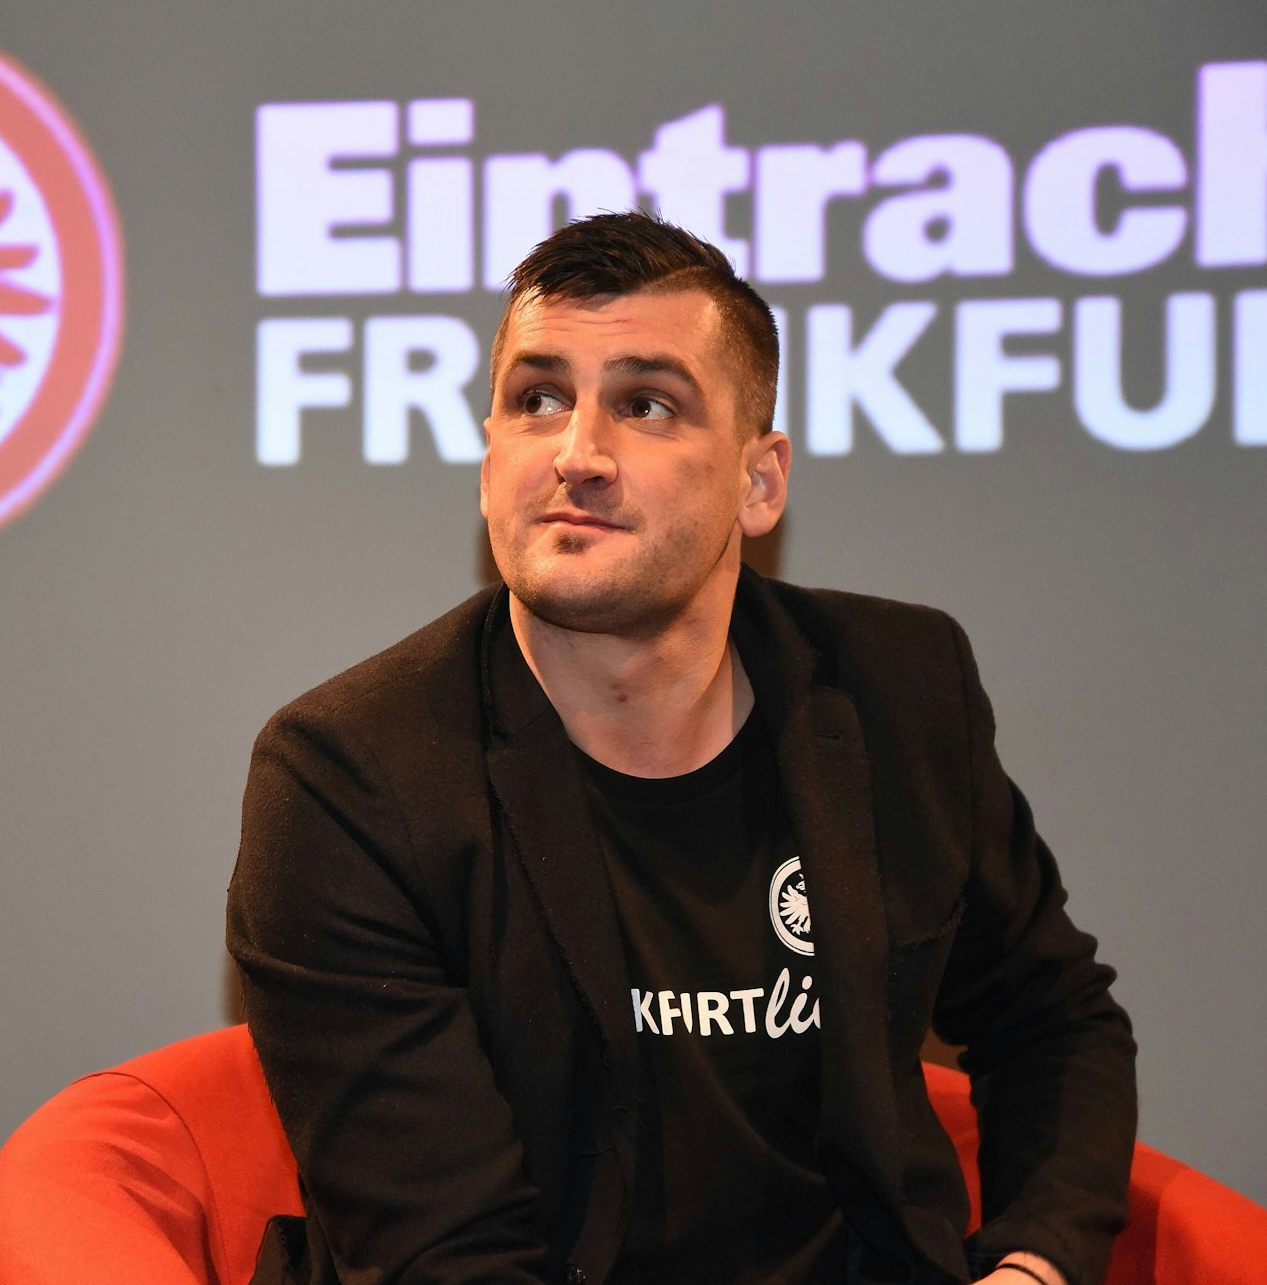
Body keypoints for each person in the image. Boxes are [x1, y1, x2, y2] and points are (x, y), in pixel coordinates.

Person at [227, 212, 1136, 1285]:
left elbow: (1052, 1019)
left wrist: (1031, 1267)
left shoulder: (897, 689)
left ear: (758, 483)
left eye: (644, 404)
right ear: (486, 462)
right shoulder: (346, 781)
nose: (576, 454)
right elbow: (453, 1262)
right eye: (537, 399)